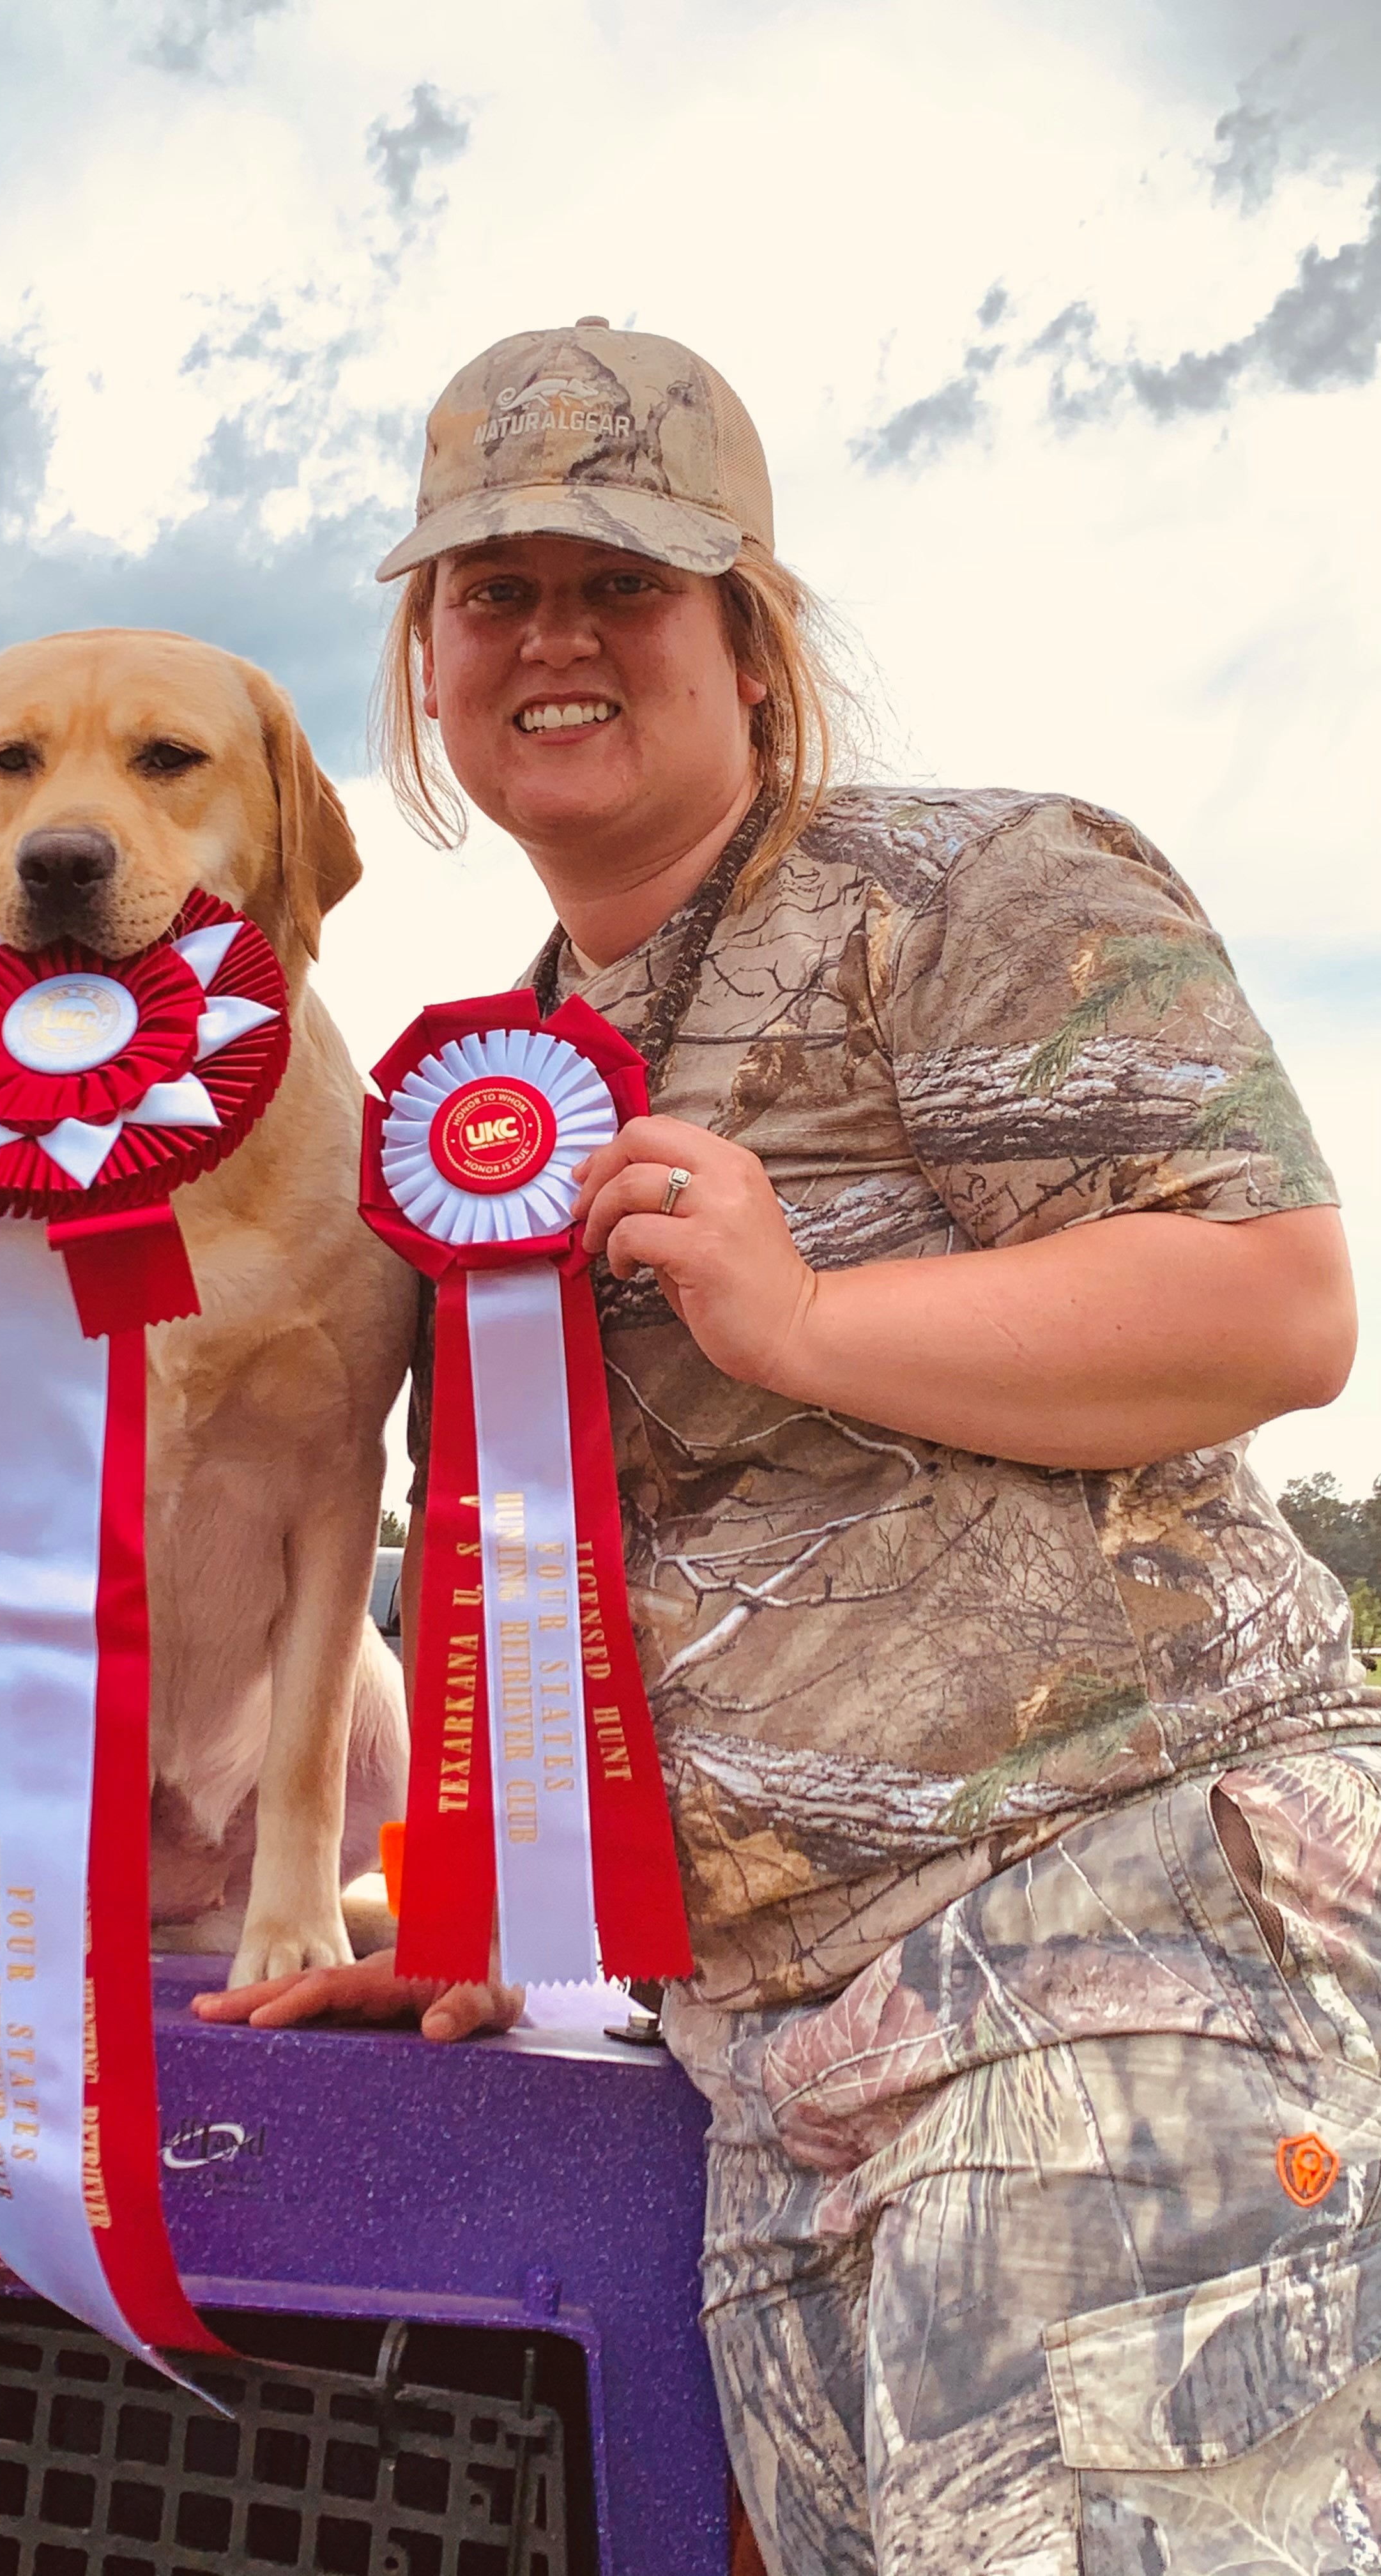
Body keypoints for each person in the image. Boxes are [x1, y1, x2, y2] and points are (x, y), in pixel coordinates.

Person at [197, 321, 1380, 2571]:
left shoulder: (978, 885)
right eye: (490, 591)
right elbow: (544, 1578)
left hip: (1104, 1961)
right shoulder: (505, 1060)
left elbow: (1275, 1305)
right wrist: (497, 1922)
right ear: (429, 668)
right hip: (766, 2071)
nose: (552, 638)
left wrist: (812, 1314)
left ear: (746, 636)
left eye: (618, 583)